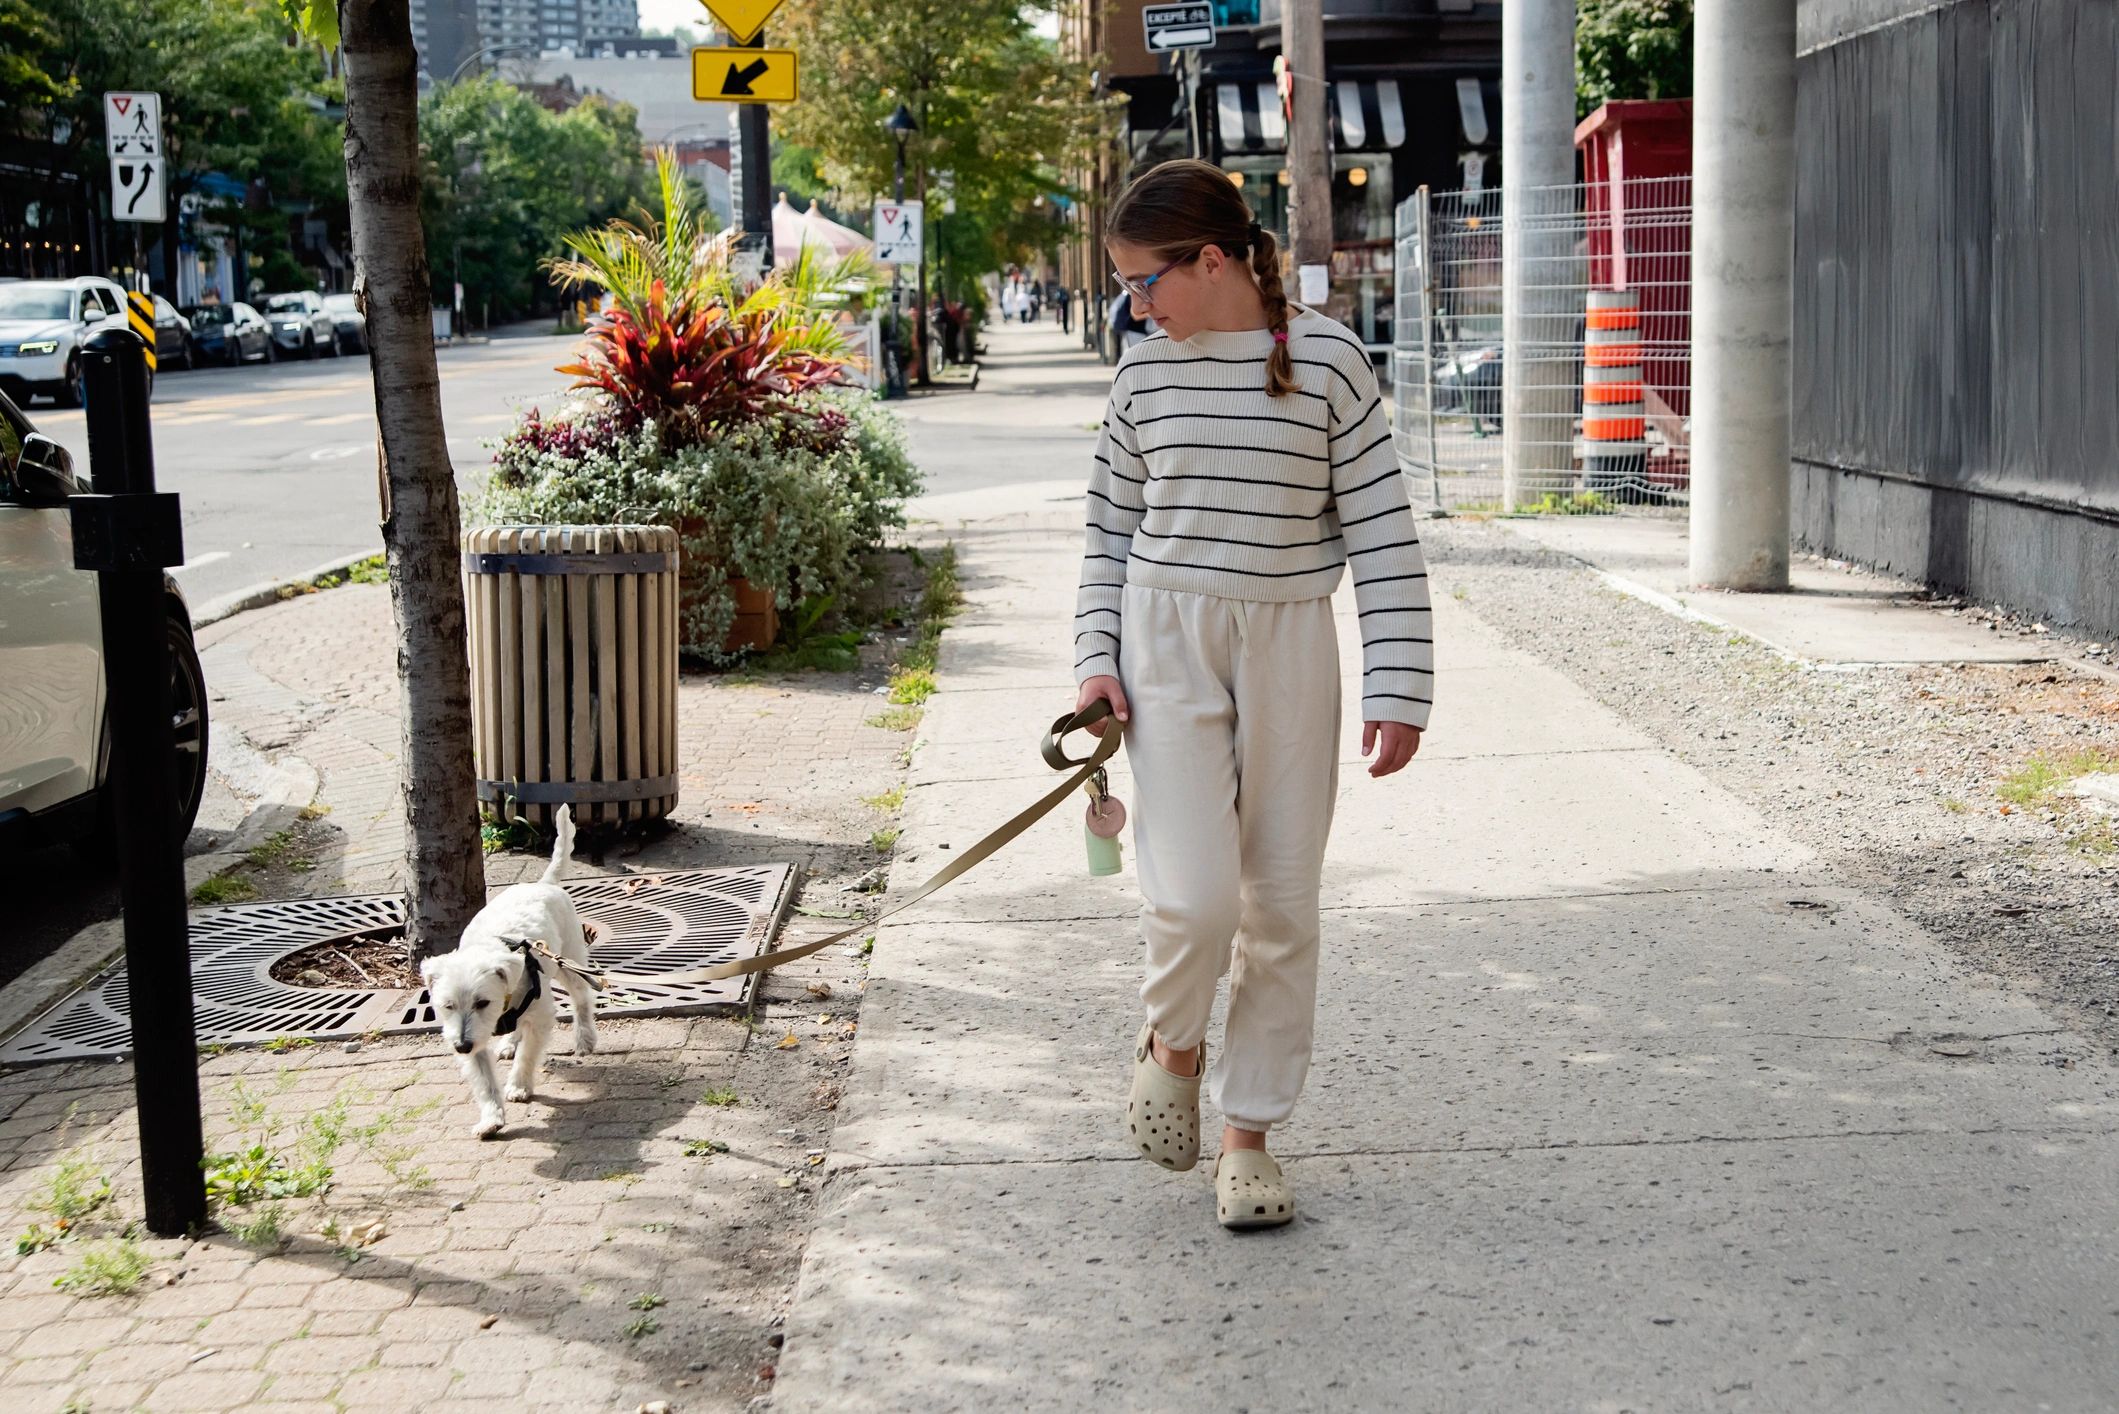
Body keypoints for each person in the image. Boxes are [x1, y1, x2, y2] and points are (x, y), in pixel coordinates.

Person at [1073, 158, 1431, 1231]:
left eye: (1146, 283)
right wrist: (1094, 660)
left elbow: (1379, 528)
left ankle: (1249, 1136)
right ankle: (1172, 1045)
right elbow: (1105, 531)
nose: (1137, 308)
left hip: (1289, 646)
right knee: (1192, 899)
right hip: (1165, 643)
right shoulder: (1140, 376)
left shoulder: (1326, 361)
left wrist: (1399, 680)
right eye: (1128, 290)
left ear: (1214, 259)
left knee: (1278, 904)